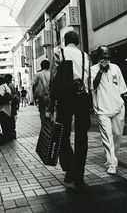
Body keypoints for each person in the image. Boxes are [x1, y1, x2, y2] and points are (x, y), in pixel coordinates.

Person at [51, 30, 91, 188]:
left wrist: (51, 99)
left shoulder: (58, 52)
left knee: (62, 133)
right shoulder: (85, 56)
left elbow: (54, 77)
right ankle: (79, 175)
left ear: (64, 41)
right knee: (82, 136)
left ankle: (70, 167)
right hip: (82, 97)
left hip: (65, 98)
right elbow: (88, 81)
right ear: (78, 41)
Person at [91, 46, 127, 175]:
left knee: (117, 135)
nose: (106, 57)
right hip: (102, 110)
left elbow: (121, 88)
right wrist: (101, 70)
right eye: (103, 55)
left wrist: (121, 103)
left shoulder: (116, 68)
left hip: (118, 108)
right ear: (98, 56)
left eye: (108, 55)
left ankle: (112, 158)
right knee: (107, 137)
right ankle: (112, 164)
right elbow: (93, 86)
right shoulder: (93, 70)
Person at [0, 76, 14, 140]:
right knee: (8, 123)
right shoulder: (7, 87)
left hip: (3, 108)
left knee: (4, 124)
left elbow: (1, 96)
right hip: (8, 108)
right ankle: (9, 136)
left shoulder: (1, 87)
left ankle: (6, 137)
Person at [5, 74, 18, 139]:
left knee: (11, 118)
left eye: (6, 78)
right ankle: (13, 133)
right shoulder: (12, 85)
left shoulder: (9, 85)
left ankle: (12, 134)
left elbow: (10, 95)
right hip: (13, 104)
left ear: (8, 78)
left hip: (11, 104)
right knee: (12, 118)